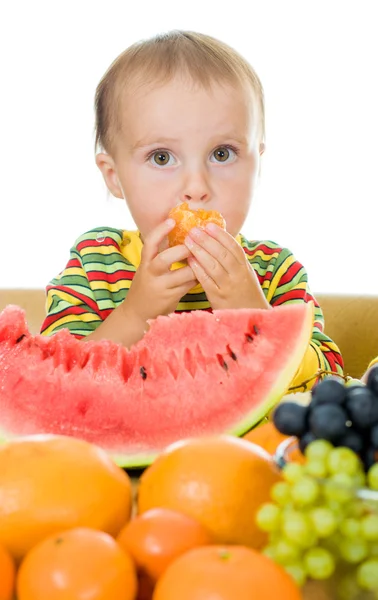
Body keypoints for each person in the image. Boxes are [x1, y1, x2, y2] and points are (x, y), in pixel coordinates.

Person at [40, 30, 343, 389]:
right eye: (162, 157)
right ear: (114, 176)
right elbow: (53, 382)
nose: (197, 188)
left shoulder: (276, 272)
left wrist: (254, 316)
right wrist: (135, 313)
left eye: (222, 153)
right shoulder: (95, 265)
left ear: (256, 164)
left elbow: (328, 385)